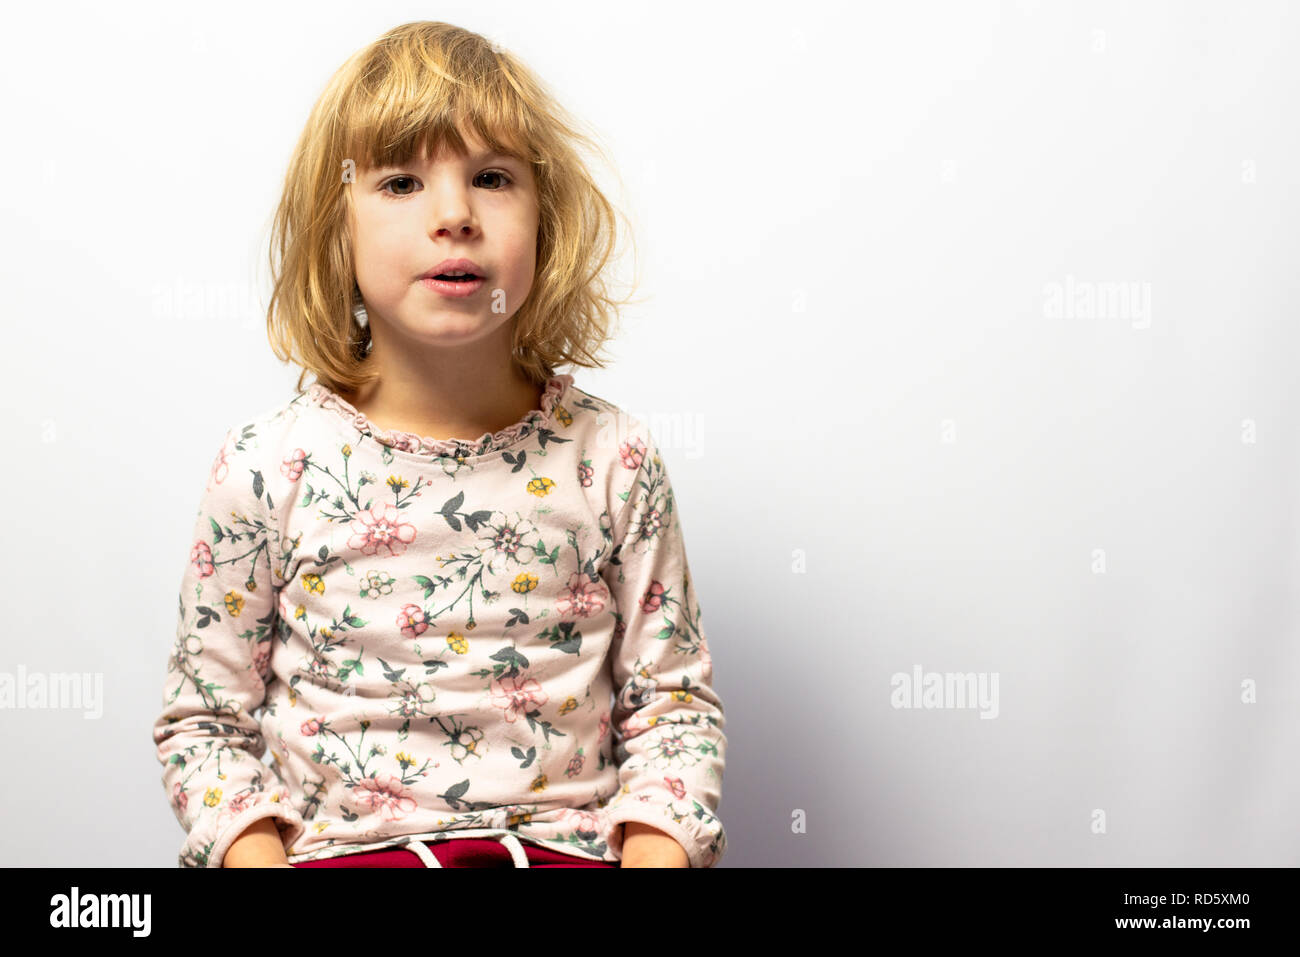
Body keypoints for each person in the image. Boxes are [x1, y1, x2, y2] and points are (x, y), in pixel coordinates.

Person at [151, 20, 726, 869]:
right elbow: (205, 722)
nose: (454, 214)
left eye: (492, 178)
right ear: (334, 230)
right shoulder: (266, 466)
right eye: (402, 182)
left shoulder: (612, 457)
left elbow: (671, 711)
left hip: (564, 852)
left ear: (546, 221)